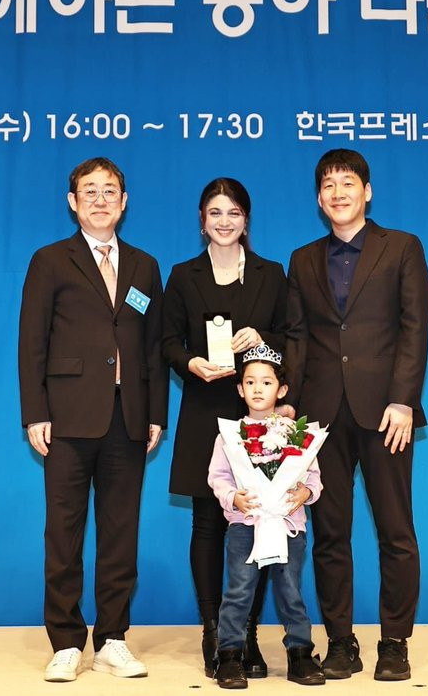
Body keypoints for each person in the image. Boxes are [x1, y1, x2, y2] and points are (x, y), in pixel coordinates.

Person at [282, 149, 428, 682]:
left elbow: (415, 327)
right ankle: (341, 642)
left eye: (347, 183)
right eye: (328, 185)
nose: (338, 192)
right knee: (330, 533)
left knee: (396, 531)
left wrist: (403, 400)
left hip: (386, 412)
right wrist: (290, 404)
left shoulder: (402, 247)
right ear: (319, 199)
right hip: (321, 418)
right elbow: (297, 337)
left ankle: (395, 642)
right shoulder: (303, 259)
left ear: (366, 191)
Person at [18, 156, 168, 683]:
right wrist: (35, 412)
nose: (100, 199)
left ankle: (112, 639)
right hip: (67, 418)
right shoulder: (50, 261)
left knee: (120, 534)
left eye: (109, 191)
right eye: (90, 191)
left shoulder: (145, 266)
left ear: (124, 202)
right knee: (64, 534)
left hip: (128, 417)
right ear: (73, 202)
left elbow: (153, 346)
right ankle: (65, 642)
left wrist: (155, 413)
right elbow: (31, 342)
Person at [162, 177, 288, 677]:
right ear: (201, 220)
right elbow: (166, 341)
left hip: (255, 415)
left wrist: (263, 340)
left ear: (246, 220)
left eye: (233, 212)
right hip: (203, 411)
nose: (224, 221)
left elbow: (288, 343)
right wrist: (190, 363)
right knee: (208, 524)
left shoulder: (271, 274)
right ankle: (214, 631)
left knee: (257, 521)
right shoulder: (182, 275)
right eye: (215, 212)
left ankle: (247, 631)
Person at [207, 344, 326, 689]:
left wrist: (305, 493)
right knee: (239, 591)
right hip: (246, 526)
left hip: (289, 526)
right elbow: (218, 477)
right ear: (240, 389)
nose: (258, 389)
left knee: (291, 592)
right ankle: (230, 655)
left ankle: (300, 653)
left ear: (282, 389)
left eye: (267, 382)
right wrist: (234, 497)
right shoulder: (229, 436)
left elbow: (313, 477)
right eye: (250, 382)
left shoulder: (297, 435)